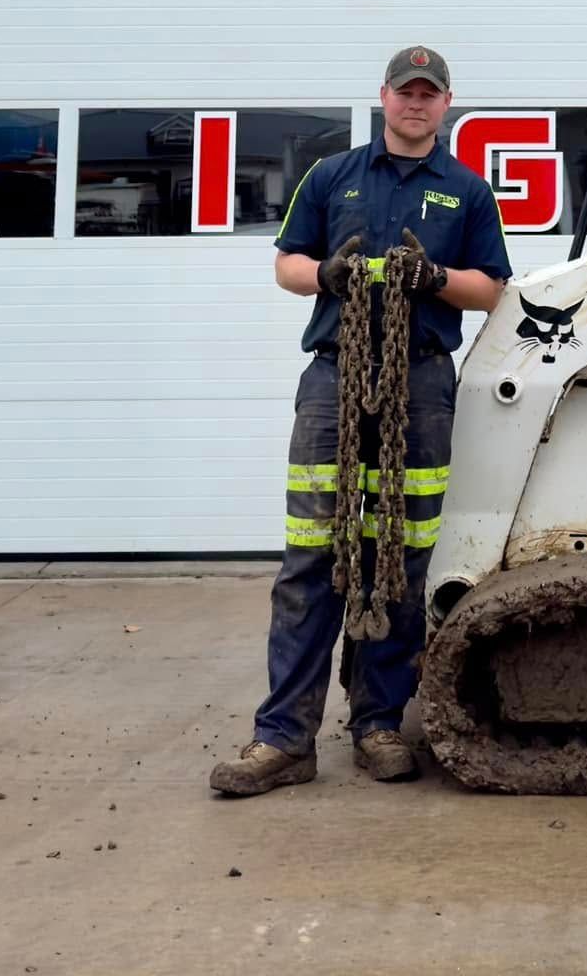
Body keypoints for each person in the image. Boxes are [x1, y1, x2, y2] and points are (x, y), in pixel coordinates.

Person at [209, 45, 511, 796]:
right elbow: (287, 263)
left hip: (421, 386)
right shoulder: (331, 176)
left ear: (447, 105)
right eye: (405, 92)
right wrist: (327, 276)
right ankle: (283, 739)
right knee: (313, 560)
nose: (416, 104)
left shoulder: (467, 193)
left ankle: (378, 722)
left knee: (401, 561)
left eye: (428, 94)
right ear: (384, 98)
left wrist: (437, 278)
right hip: (333, 384)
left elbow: (491, 290)